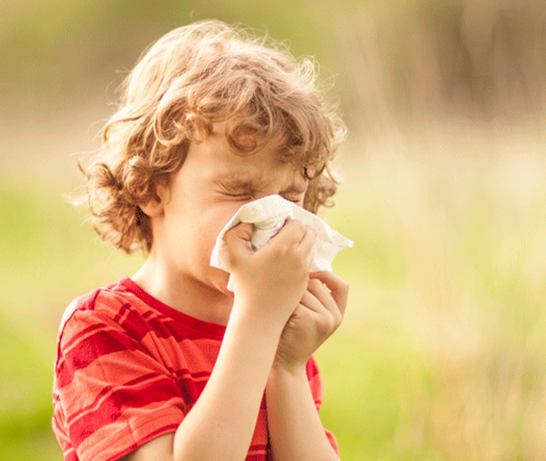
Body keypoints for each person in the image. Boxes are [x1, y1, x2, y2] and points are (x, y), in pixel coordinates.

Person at [52, 20, 349, 461]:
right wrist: (258, 320)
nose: (271, 219)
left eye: (290, 197)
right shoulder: (104, 330)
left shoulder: (277, 331)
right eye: (239, 191)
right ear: (151, 188)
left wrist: (286, 368)